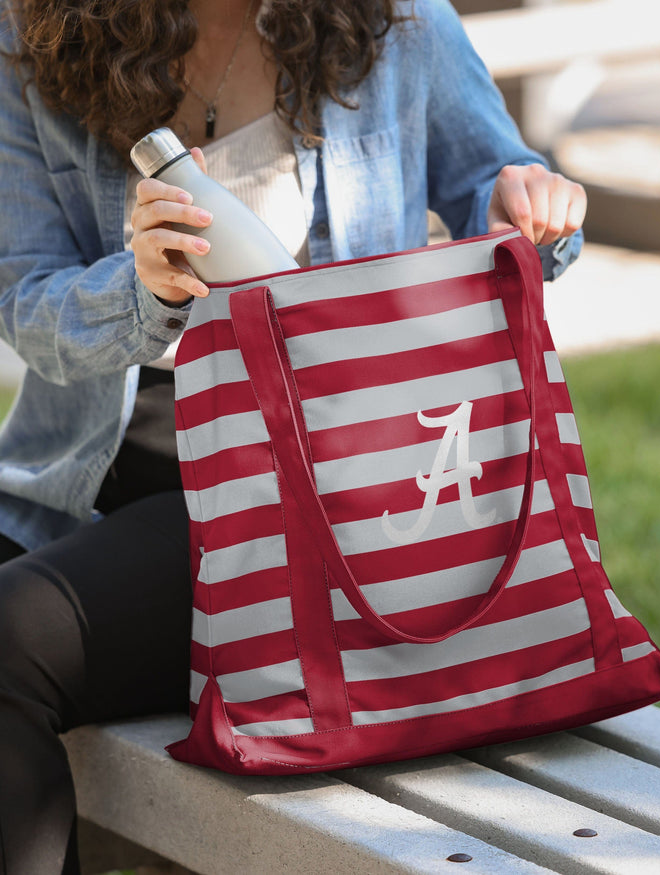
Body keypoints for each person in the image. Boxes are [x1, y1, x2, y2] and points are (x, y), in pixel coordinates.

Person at [0, 0, 586, 871]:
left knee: (10, 642)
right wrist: (144, 292)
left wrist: (534, 207)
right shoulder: (33, 31)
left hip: (309, 497)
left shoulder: (399, 22)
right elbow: (26, 297)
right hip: (88, 480)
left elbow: (499, 192)